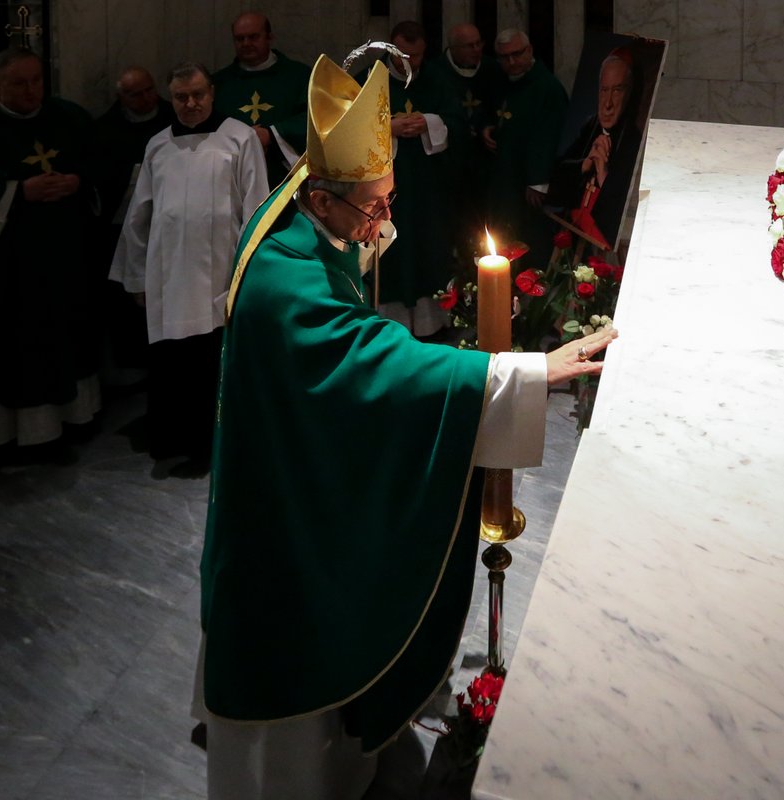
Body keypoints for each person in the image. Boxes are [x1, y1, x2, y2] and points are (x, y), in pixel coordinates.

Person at [195, 53, 617, 799]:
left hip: (301, 461)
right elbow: (368, 359)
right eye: (374, 207)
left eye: (390, 200)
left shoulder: (300, 217)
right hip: (282, 523)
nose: (383, 222)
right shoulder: (285, 284)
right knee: (290, 720)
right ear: (320, 198)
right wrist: (522, 374)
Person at [0, 47, 101, 449]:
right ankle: (12, 433)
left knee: (66, 337)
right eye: (19, 83)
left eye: (37, 80)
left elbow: (102, 164)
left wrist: (78, 181)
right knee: (17, 349)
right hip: (3, 267)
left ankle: (73, 417)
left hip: (63, 257)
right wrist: (17, 191)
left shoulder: (69, 117)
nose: (32, 91)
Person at [109, 63, 268, 464]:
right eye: (181, 97)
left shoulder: (239, 137)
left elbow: (257, 207)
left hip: (221, 274)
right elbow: (139, 214)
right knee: (172, 364)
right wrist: (136, 276)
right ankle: (172, 440)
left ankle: (213, 446)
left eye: (198, 95)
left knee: (212, 362)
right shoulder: (158, 145)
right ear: (171, 98)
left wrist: (251, 273)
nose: (191, 104)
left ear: (211, 93)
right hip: (170, 274)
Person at [374, 21, 464, 337]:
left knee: (430, 250)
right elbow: (350, 128)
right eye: (402, 56)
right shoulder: (370, 80)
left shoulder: (438, 80)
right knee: (393, 255)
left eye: (416, 56)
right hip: (385, 188)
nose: (410, 63)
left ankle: (431, 324)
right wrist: (388, 128)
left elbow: (458, 123)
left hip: (429, 188)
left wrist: (429, 123)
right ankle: (392, 325)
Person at [95, 66, 176, 383]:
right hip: (123, 224)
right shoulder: (106, 129)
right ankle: (132, 369)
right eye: (134, 94)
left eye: (148, 90)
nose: (145, 98)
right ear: (121, 97)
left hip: (168, 226)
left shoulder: (173, 120)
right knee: (129, 299)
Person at [481, 29, 567, 269]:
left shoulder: (547, 87)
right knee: (504, 236)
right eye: (504, 57)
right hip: (505, 179)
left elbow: (550, 134)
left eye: (517, 54)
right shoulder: (503, 82)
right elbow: (496, 112)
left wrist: (538, 181)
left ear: (530, 50)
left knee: (532, 239)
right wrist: (487, 127)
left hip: (530, 185)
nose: (511, 62)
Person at [548, 48, 643, 250]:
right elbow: (556, 178)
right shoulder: (591, 127)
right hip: (575, 231)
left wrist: (603, 174)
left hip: (602, 241)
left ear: (629, 94)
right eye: (604, 90)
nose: (607, 104)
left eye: (617, 90)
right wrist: (584, 165)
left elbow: (623, 209)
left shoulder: (633, 141)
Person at [428, 22, 505, 255]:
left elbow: (500, 105)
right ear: (453, 48)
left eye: (479, 43)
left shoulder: (492, 69)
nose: (476, 49)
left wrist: (489, 126)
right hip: (449, 162)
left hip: (485, 162)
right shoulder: (435, 72)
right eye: (469, 46)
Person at [212, 11, 309, 188]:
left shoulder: (300, 76)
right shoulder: (218, 83)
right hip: (233, 178)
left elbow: (314, 120)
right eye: (239, 39)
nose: (246, 43)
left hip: (285, 178)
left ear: (269, 37)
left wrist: (271, 134)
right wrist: (243, 139)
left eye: (253, 37)